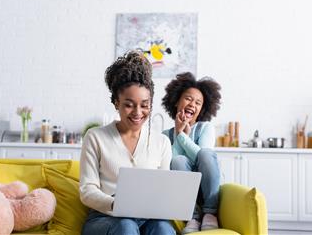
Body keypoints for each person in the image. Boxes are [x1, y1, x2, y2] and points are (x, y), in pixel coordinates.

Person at [80, 50, 175, 235]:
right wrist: (117, 204)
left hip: (147, 218)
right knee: (126, 226)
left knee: (164, 229)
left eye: (145, 104)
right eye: (129, 104)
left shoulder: (162, 142)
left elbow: (163, 192)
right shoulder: (95, 137)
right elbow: (87, 190)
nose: (138, 112)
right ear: (116, 102)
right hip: (104, 218)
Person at [162, 72, 222, 234]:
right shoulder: (165, 135)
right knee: (178, 161)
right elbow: (171, 164)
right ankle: (193, 217)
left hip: (207, 189)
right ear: (176, 102)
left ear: (202, 109)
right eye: (188, 99)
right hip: (183, 195)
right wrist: (177, 132)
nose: (192, 105)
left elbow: (202, 156)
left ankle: (210, 213)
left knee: (206, 153)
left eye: (198, 103)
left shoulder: (206, 128)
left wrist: (182, 136)